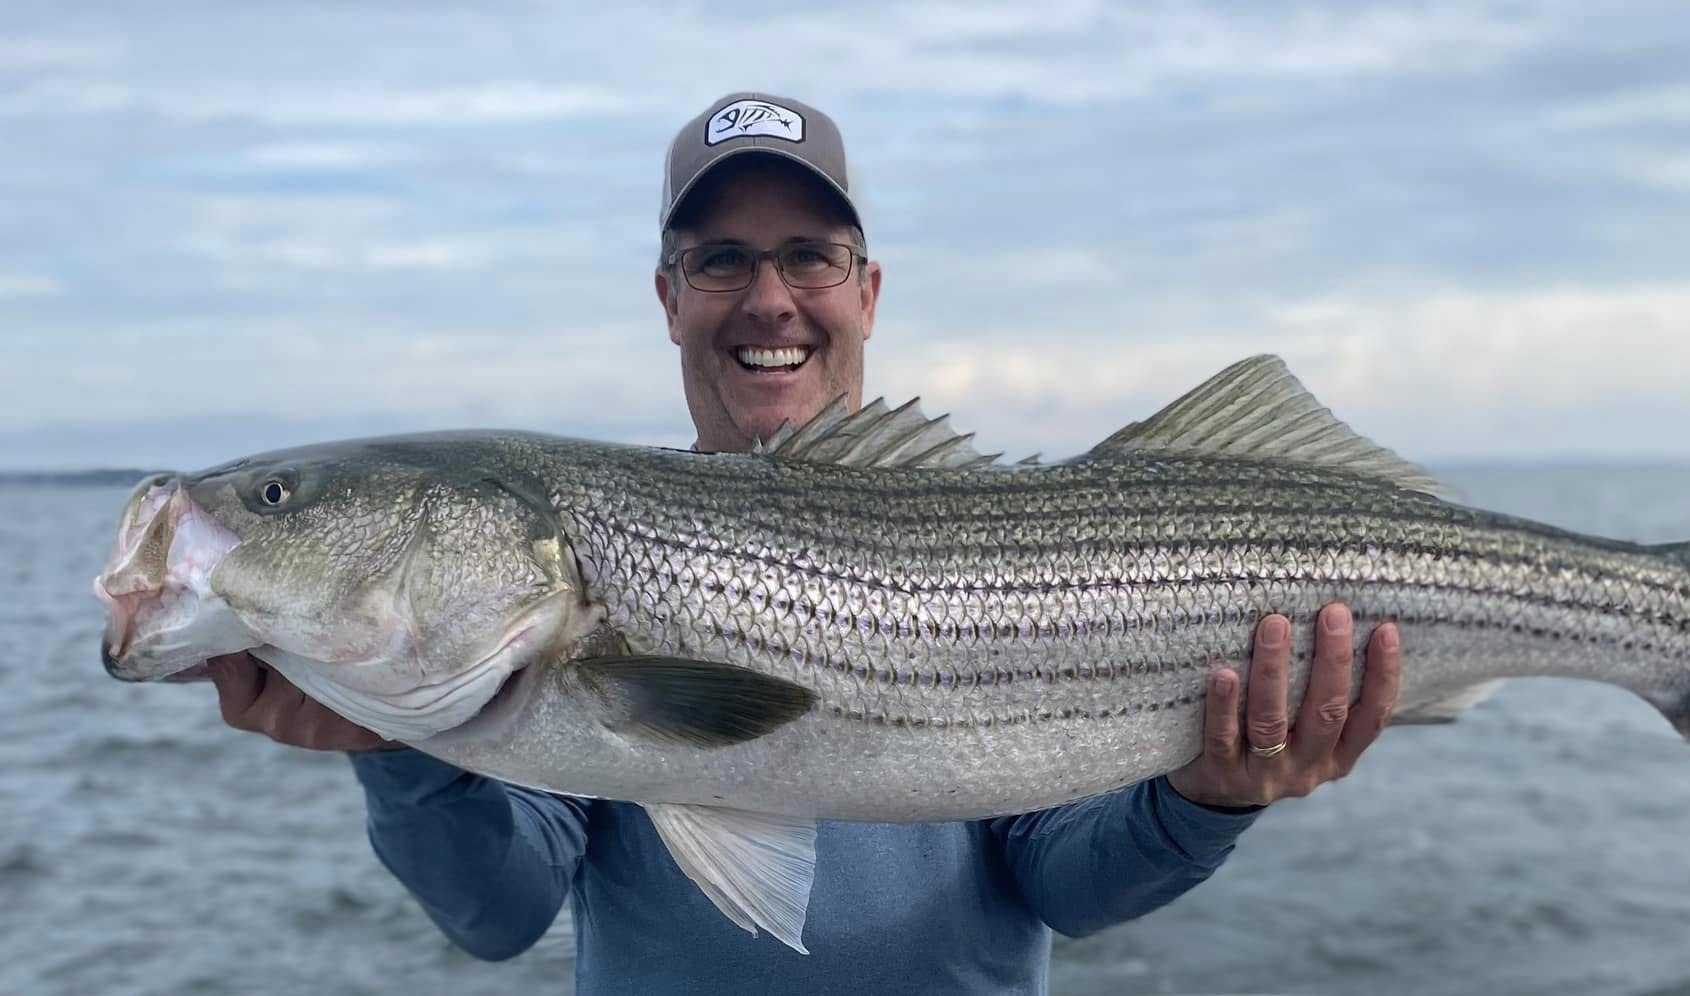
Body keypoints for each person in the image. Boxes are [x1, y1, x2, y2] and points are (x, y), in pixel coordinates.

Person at [204, 91, 1405, 994]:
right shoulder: (593, 583)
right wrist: (397, 742)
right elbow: (498, 915)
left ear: (864, 290)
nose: (767, 298)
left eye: (807, 256)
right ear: (668, 299)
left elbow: (1063, 887)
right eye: (719, 259)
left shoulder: (985, 536)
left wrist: (1209, 800)